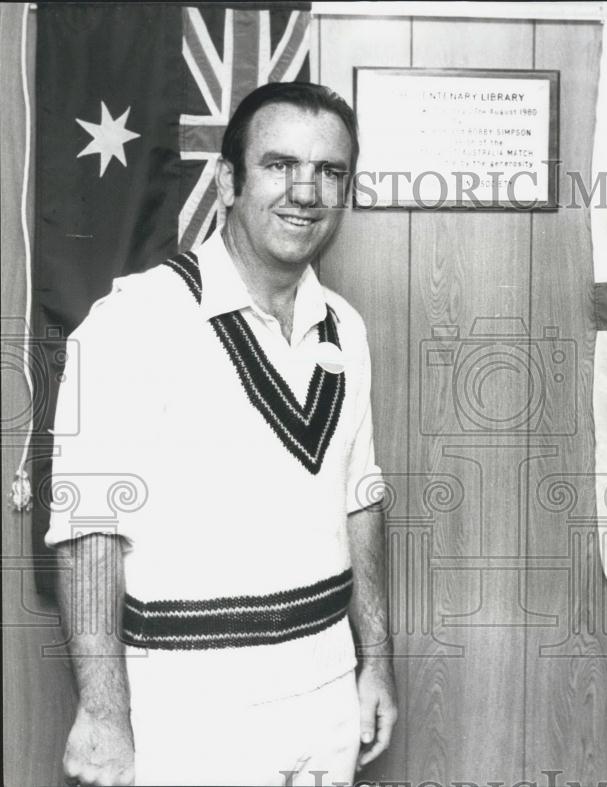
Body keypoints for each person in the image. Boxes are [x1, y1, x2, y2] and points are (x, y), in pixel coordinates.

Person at [46, 82, 396, 786]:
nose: (306, 190)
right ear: (230, 179)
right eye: (279, 164)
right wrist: (104, 714)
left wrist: (377, 660)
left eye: (330, 172)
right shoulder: (136, 321)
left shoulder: (345, 328)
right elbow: (89, 529)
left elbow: (360, 499)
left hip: (326, 696)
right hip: (191, 708)